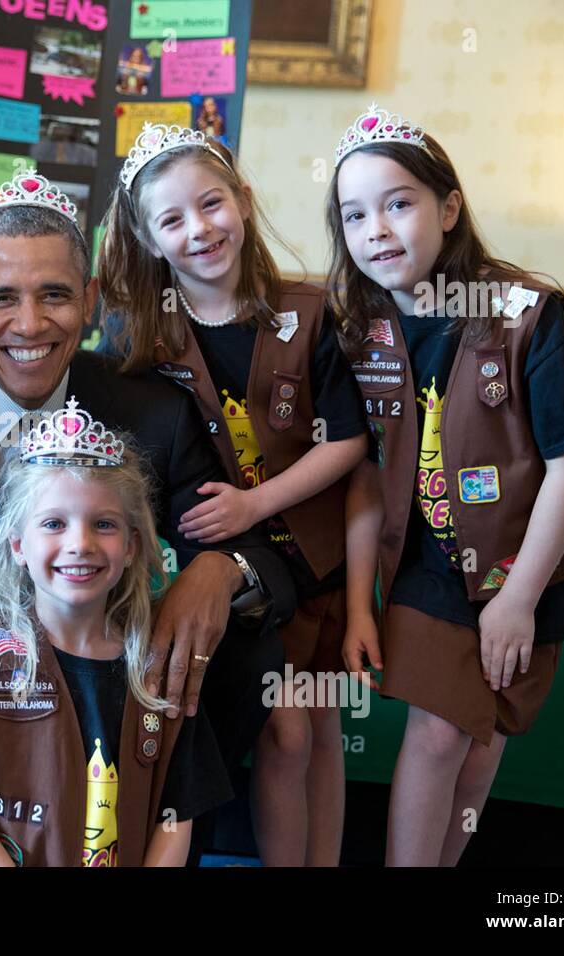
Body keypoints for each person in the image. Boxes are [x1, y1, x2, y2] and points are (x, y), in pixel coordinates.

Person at [0, 167, 294, 866]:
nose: (30, 324)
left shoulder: (152, 410)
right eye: (1, 298)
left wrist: (222, 570)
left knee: (251, 655)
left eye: (56, 296)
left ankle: (162, 844)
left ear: (92, 300)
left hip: (122, 675)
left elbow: (261, 551)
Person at [328, 104, 564, 866]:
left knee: (480, 749)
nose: (377, 230)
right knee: (437, 732)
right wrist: (361, 603)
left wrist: (519, 599)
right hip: (426, 569)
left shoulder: (527, 315)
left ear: (448, 208)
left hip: (527, 565)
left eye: (399, 203)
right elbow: (361, 472)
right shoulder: (358, 331)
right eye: (354, 215)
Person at [97, 122, 367, 865]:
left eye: (210, 205)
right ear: (149, 239)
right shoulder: (140, 333)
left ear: (242, 202)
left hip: (313, 559)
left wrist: (255, 502)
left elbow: (348, 439)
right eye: (173, 220)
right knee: (285, 728)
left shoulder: (310, 312)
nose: (200, 230)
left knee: (318, 730)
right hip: (224, 566)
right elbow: (79, 393)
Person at [0, 401, 232, 866]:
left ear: (131, 547)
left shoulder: (159, 667)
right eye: (54, 524)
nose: (80, 544)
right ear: (18, 544)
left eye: (104, 524)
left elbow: (175, 816)